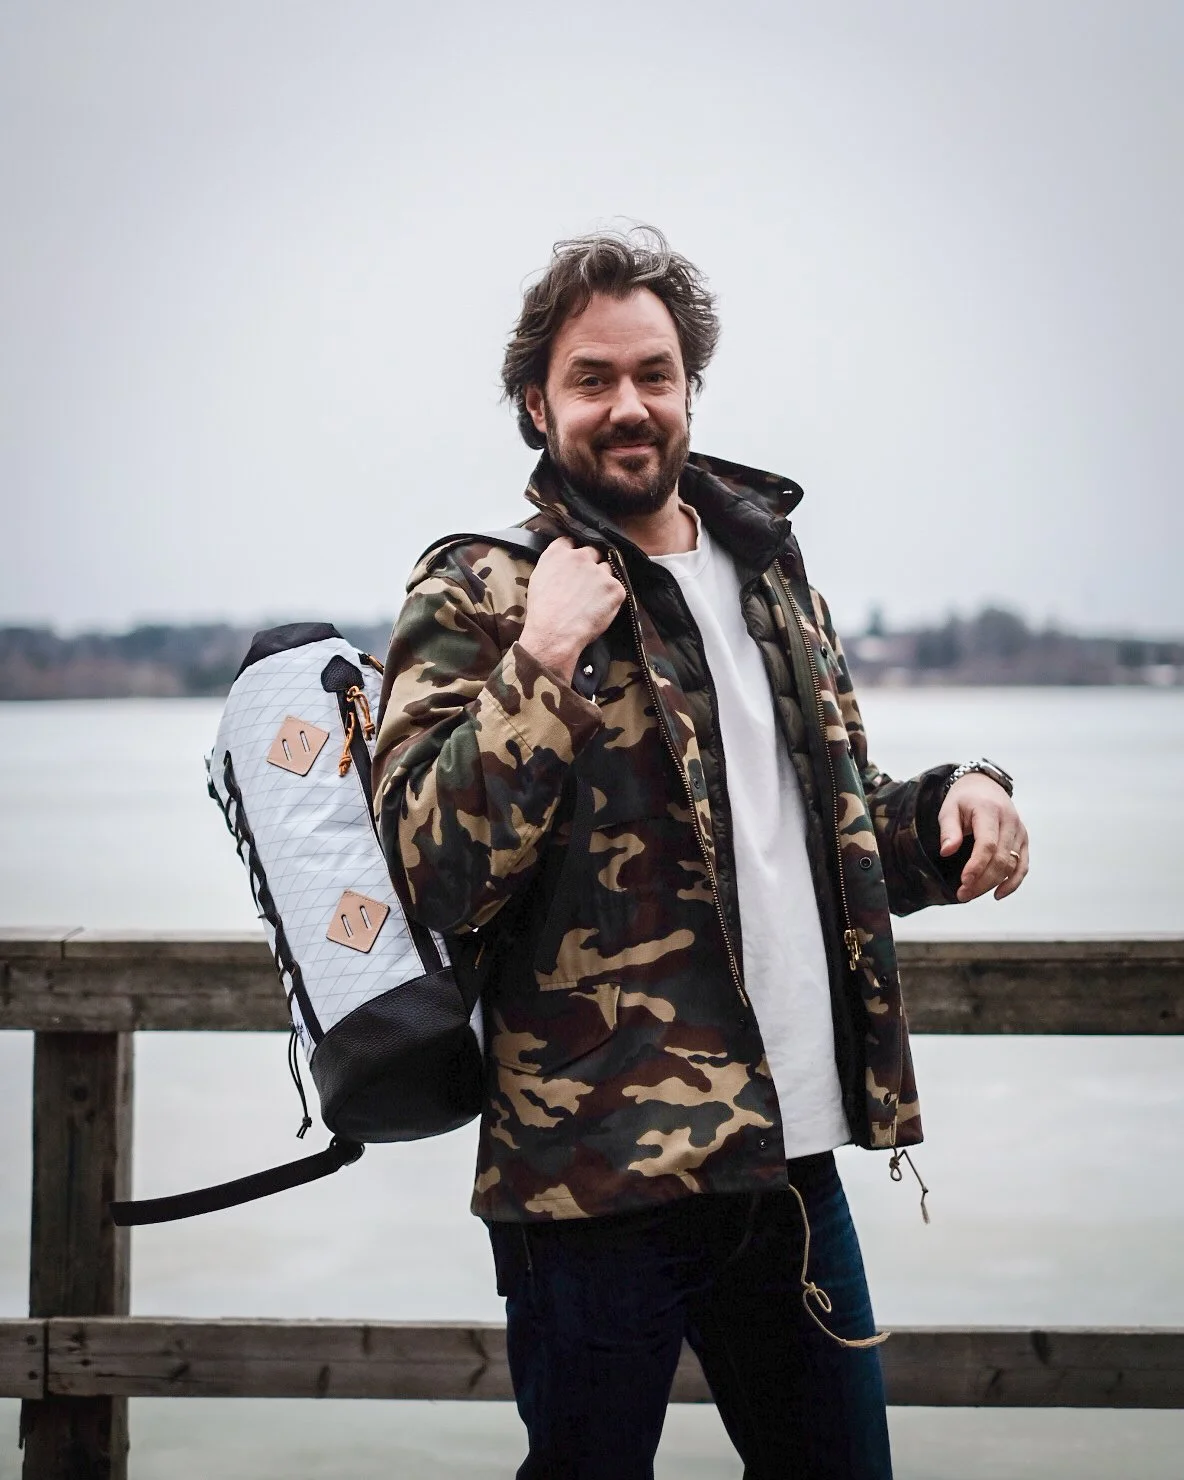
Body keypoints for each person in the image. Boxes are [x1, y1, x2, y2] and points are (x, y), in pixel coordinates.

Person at [372, 227, 1029, 1480]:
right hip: (590, 1185)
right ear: (535, 401)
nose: (628, 405)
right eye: (590, 378)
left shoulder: (770, 574)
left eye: (653, 373)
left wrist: (957, 800)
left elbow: (821, 840)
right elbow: (430, 873)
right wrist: (539, 662)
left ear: (689, 385)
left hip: (787, 1161)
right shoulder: (477, 590)